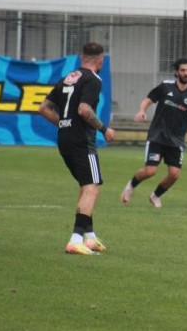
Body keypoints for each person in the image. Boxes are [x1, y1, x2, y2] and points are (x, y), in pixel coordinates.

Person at [37, 42, 116, 255]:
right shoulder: (94, 79)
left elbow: (43, 108)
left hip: (65, 139)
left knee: (86, 185)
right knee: (92, 188)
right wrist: (104, 129)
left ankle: (89, 237)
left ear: (82, 58)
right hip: (82, 140)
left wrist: (64, 123)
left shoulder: (67, 78)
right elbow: (84, 109)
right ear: (100, 61)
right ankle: (75, 239)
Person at [120, 58, 187, 208]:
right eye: (183, 70)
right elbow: (148, 100)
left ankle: (155, 195)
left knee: (174, 174)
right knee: (150, 171)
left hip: (176, 139)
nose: (186, 73)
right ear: (177, 72)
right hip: (157, 135)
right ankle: (131, 186)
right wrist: (142, 111)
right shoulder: (165, 87)